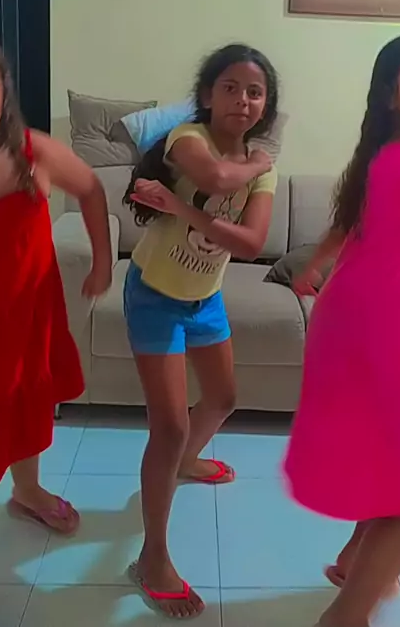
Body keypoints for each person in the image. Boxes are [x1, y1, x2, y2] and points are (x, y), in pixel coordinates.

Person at [283, 31, 400, 627]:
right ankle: (346, 617)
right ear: (392, 95)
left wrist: (315, 263)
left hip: (384, 332)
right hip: (380, 340)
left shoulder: (398, 159)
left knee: (398, 466)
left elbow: (352, 227)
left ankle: (354, 560)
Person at [123, 43, 279, 618]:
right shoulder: (188, 138)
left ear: (265, 105)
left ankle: (186, 461)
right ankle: (152, 558)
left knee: (223, 397)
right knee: (167, 428)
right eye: (231, 87)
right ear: (209, 95)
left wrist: (181, 208)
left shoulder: (264, 169)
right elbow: (215, 176)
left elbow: (252, 243)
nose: (243, 100)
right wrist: (255, 166)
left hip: (204, 298)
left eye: (255, 92)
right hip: (154, 295)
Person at [0, 29, 112, 619]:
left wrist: (103, 261)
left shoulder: (34, 152)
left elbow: (92, 189)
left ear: (3, 86)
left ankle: (29, 491)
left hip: (28, 318)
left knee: (29, 408)